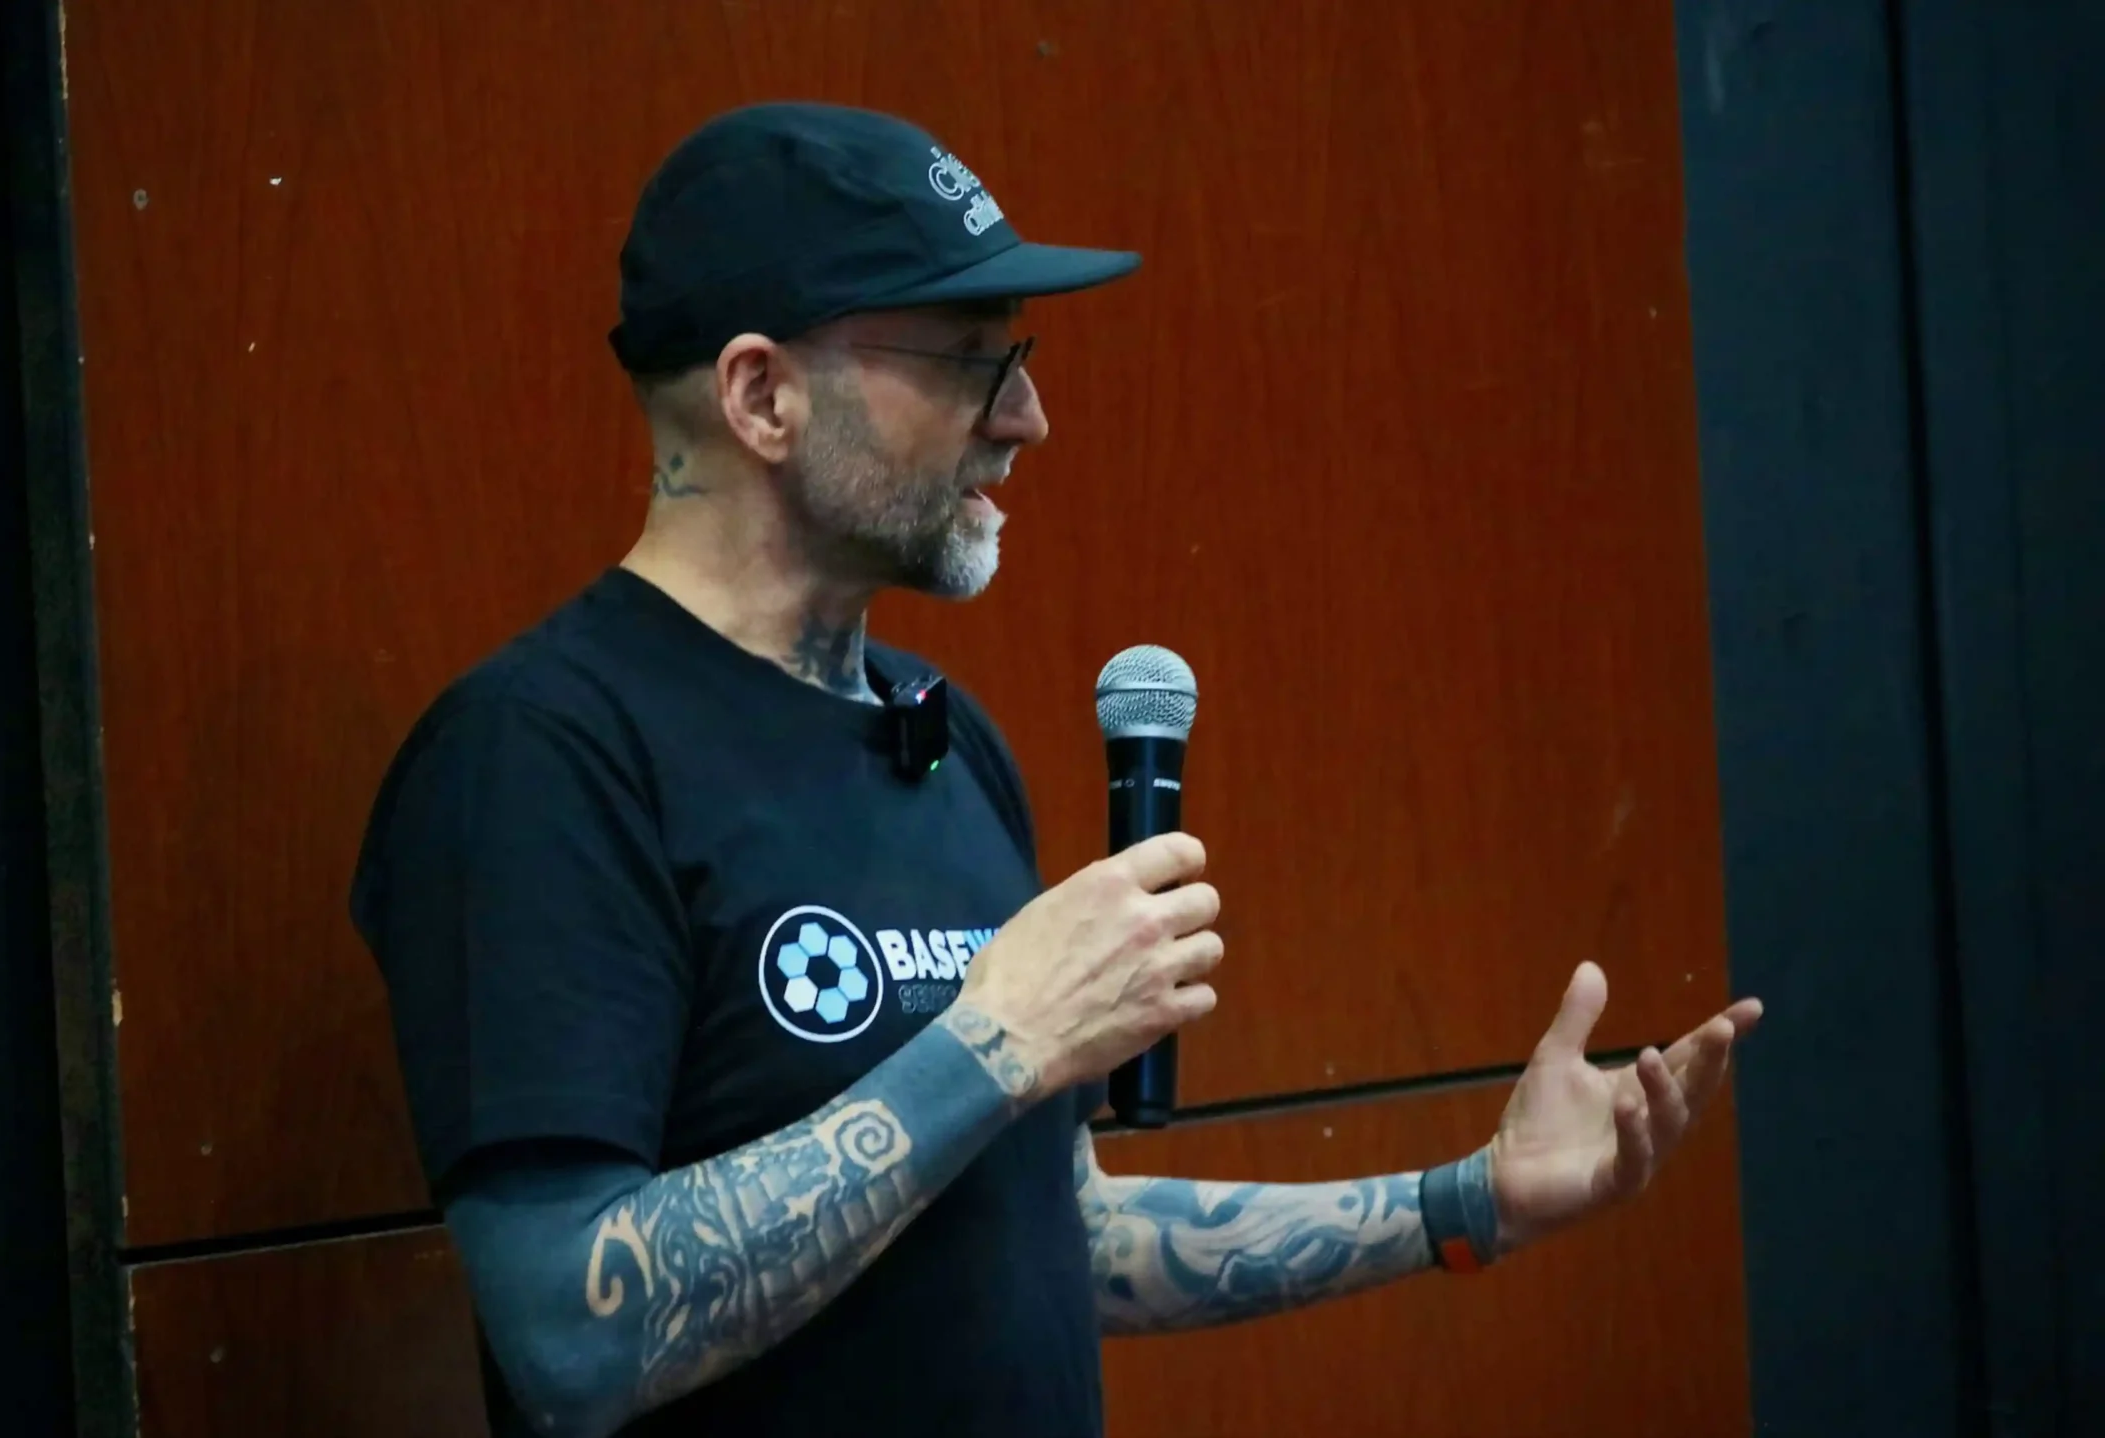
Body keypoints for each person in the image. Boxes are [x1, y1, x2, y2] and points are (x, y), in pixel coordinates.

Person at [348, 101, 1764, 1438]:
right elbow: (569, 1337)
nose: (1026, 419)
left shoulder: (941, 733)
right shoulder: (542, 758)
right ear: (762, 396)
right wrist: (995, 1042)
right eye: (972, 360)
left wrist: (1467, 1201)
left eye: (1021, 360)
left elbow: (1047, 1228)